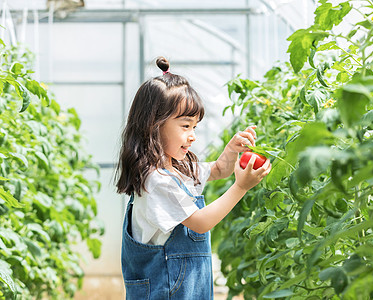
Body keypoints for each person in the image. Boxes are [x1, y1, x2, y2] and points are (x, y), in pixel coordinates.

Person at [115, 56, 271, 300]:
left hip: (188, 290)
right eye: (185, 126)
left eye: (195, 127)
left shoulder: (178, 169)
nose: (192, 136)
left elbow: (219, 170)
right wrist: (241, 187)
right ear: (153, 126)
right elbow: (200, 222)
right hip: (166, 292)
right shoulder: (157, 181)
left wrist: (231, 149)